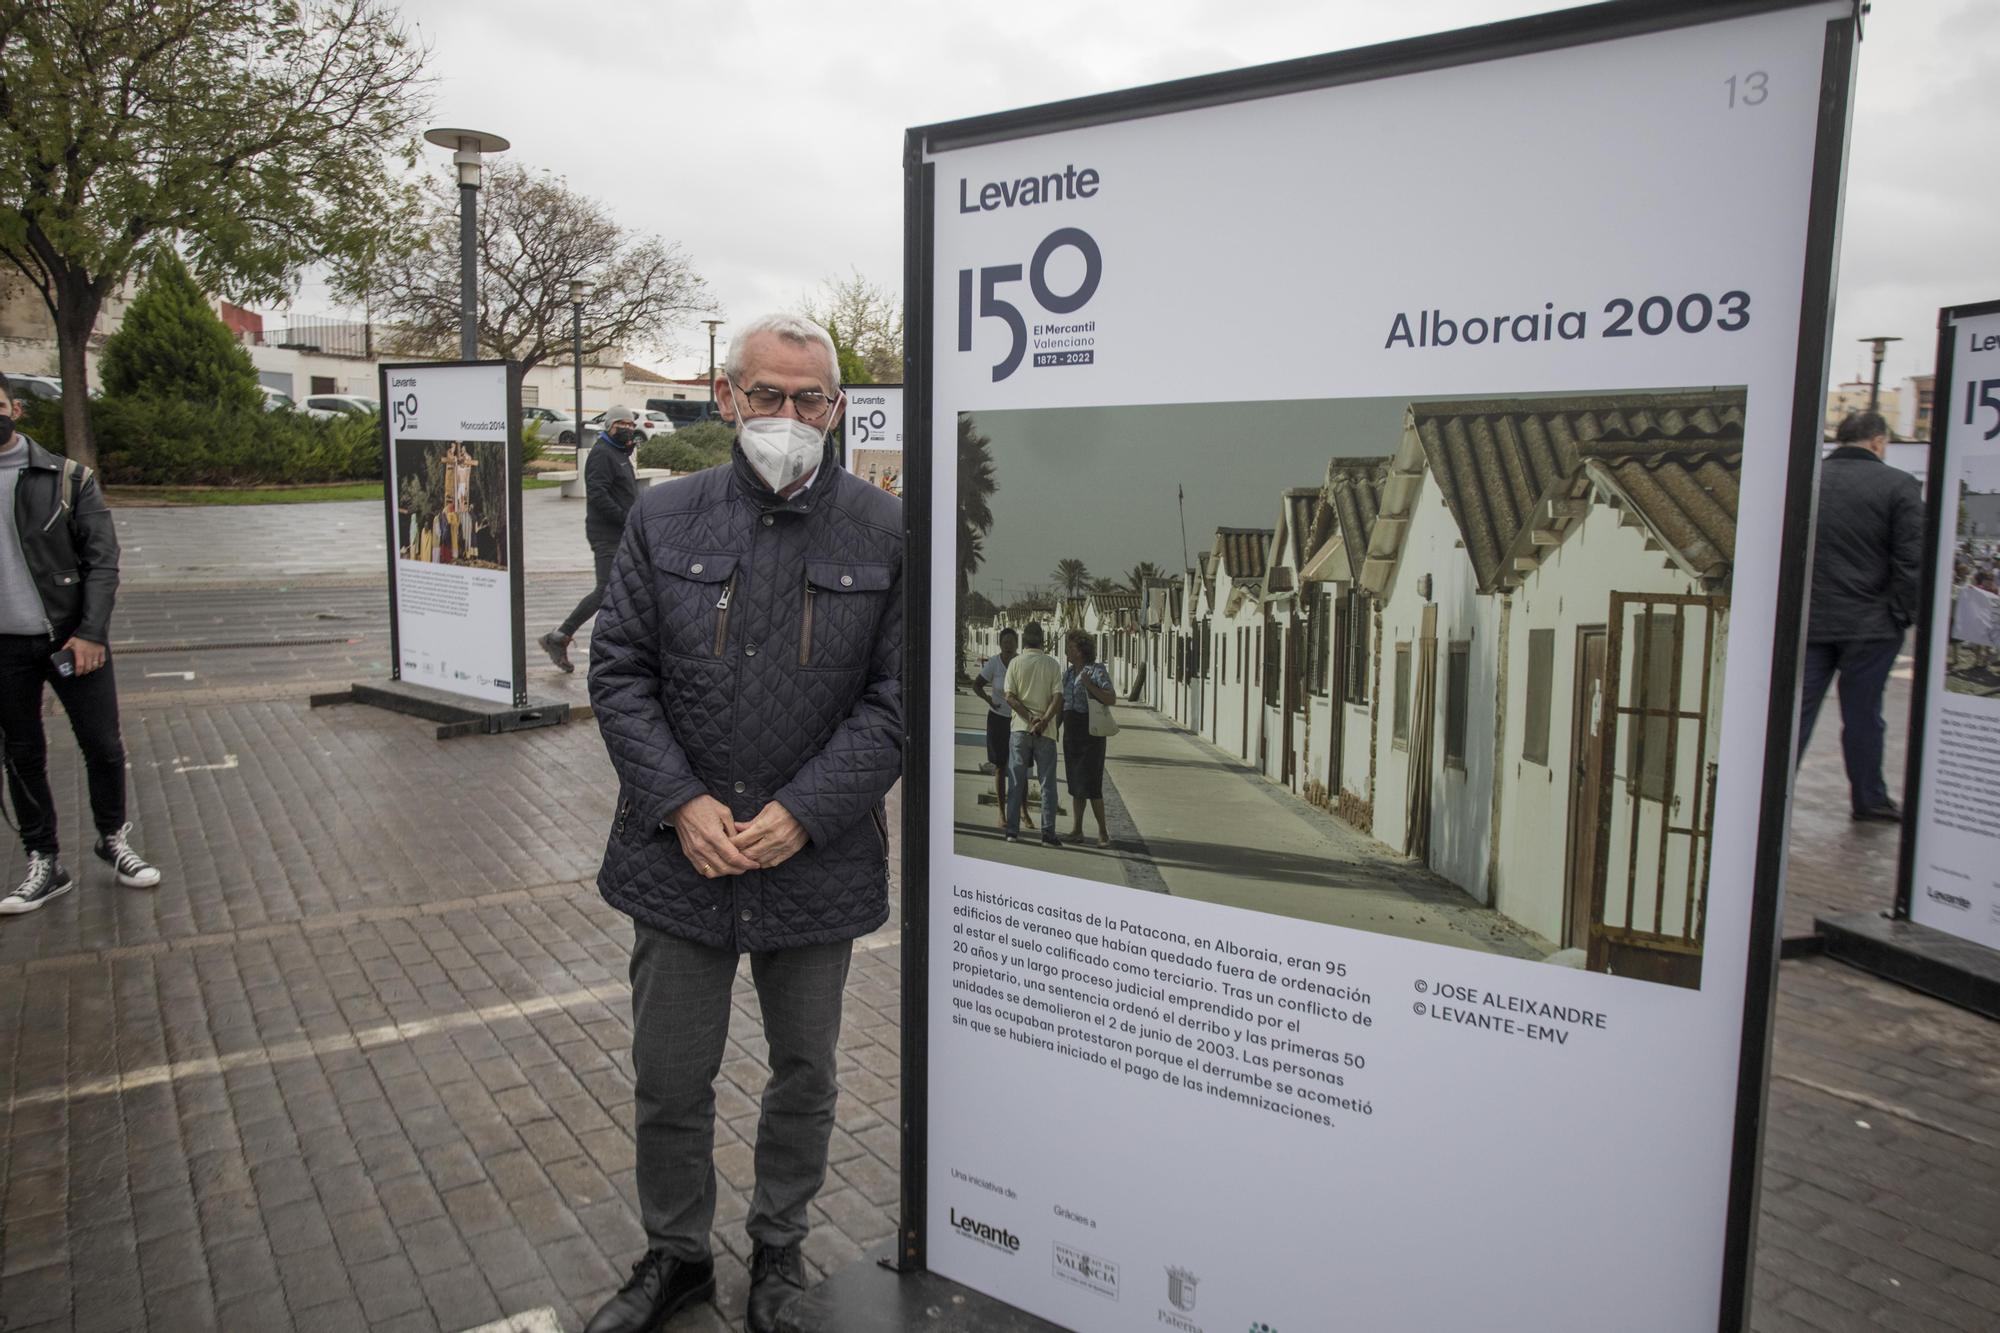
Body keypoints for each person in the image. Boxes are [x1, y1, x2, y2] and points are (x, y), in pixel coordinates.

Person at [582, 316, 900, 1333]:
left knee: (802, 1072)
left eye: (810, 399)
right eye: (766, 394)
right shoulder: (662, 517)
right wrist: (679, 802)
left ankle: (777, 1252)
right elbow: (619, 671)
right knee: (670, 1076)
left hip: (816, 861)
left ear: (836, 408)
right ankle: (674, 1255)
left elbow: (895, 701)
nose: (788, 417)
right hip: (679, 858)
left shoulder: (882, 529)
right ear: (726, 398)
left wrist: (806, 812)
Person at [0, 378, 161, 915]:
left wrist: (91, 632)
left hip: (71, 640)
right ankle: (44, 860)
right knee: (22, 755)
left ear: (15, 409)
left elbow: (102, 561)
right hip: (5, 647)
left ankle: (112, 838)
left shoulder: (68, 478)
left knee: (103, 745)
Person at [1797, 410, 1923, 822]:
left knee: (1796, 711)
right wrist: (1902, 614)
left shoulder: (1806, 480)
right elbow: (1910, 561)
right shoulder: (1899, 486)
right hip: (1871, 626)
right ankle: (1869, 799)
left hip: (1809, 622)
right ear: (1878, 441)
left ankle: (1772, 790)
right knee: (1864, 715)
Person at [540, 406, 640, 673]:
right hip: (606, 534)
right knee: (605, 590)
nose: (627, 428)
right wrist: (626, 517)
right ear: (608, 426)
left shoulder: (619, 453)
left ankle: (625, 648)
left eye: (631, 424)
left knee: (630, 588)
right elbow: (598, 494)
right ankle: (559, 637)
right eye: (621, 424)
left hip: (622, 532)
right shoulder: (602, 454)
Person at [1003, 621, 1064, 846]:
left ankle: (1012, 831)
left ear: (1023, 641)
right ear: (1042, 640)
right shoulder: (1052, 664)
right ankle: (1048, 834)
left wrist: (1029, 719)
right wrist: (1043, 720)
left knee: (1017, 781)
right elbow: (1057, 697)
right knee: (1047, 783)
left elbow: (1009, 696)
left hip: (1020, 729)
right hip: (1046, 732)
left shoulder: (1015, 663)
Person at [1061, 630, 1116, 847]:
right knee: (1076, 783)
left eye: (1071, 647)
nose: (1067, 650)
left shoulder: (1096, 671)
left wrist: (1088, 684)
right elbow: (1062, 703)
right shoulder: (1067, 674)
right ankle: (1077, 829)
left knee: (1092, 784)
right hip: (1071, 732)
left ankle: (1103, 832)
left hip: (1091, 732)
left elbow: (1111, 698)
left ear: (1082, 651)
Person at [971, 627, 1017, 825]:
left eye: (1011, 642)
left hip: (1017, 720)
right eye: (1005, 642)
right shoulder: (994, 663)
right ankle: (1002, 813)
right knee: (1000, 767)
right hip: (997, 719)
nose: (1008, 645)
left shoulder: (1020, 662)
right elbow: (976, 685)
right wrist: (989, 700)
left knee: (1019, 767)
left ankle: (1022, 810)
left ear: (1017, 644)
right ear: (1000, 644)